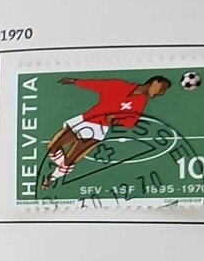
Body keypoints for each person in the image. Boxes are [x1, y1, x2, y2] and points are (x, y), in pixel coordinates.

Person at [39, 73, 170, 187]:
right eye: (162, 88)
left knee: (70, 159)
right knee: (53, 149)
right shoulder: (119, 86)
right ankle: (63, 168)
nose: (161, 93)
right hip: (86, 119)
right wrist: (75, 81)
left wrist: (115, 120)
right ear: (155, 82)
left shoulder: (140, 101)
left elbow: (131, 122)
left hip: (98, 129)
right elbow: (96, 85)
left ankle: (53, 177)